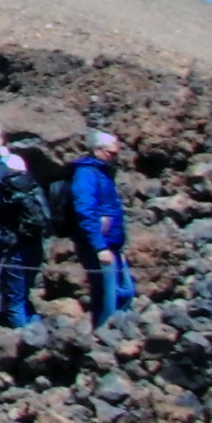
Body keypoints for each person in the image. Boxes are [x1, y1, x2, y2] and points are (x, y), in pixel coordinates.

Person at [70, 130, 132, 325]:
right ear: (97, 150)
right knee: (108, 297)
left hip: (113, 242)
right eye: (111, 153)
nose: (115, 157)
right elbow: (84, 211)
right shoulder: (86, 174)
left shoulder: (103, 172)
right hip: (100, 243)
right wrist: (99, 247)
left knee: (126, 292)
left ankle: (117, 330)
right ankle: (104, 333)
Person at [0, 145, 52, 328]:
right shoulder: (34, 185)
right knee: (25, 295)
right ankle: (37, 331)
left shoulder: (6, 187)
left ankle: (23, 336)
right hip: (35, 245)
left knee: (14, 300)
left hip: (15, 246)